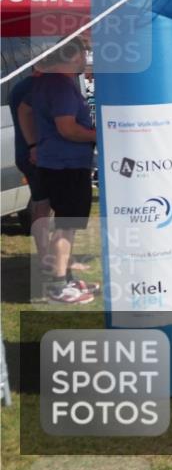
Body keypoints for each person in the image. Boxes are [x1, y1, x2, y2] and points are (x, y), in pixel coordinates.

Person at [31, 38, 99, 304]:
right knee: (66, 226)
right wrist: (99, 135)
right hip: (66, 165)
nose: (87, 58)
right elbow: (67, 128)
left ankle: (66, 279)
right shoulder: (59, 85)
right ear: (73, 55)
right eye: (84, 53)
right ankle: (59, 286)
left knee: (65, 224)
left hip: (58, 163)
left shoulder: (49, 82)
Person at [9, 69, 53, 280]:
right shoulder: (36, 88)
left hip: (26, 153)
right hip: (38, 154)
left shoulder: (19, 86)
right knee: (44, 206)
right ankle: (47, 260)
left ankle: (46, 257)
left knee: (40, 203)